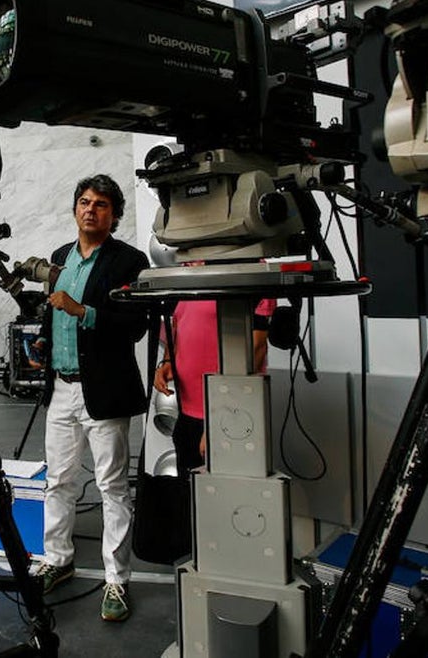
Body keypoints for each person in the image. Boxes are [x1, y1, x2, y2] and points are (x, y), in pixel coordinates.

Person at [33, 174, 150, 623]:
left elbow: (135, 324)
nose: (90, 210)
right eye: (84, 202)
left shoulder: (129, 261)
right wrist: (46, 338)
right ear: (75, 208)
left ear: (114, 215)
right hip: (61, 388)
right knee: (58, 480)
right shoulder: (61, 257)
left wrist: (83, 312)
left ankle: (116, 580)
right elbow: (53, 310)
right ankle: (57, 559)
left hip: (103, 389)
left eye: (101, 204)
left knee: (112, 486)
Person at [153, 296, 275, 471]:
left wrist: (218, 422)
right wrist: (167, 362)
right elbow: (177, 329)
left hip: (230, 413)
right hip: (188, 414)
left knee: (226, 489)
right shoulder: (186, 279)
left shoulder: (250, 277)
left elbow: (256, 348)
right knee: (189, 490)